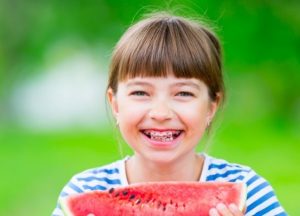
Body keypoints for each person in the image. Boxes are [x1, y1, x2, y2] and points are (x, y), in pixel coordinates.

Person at [52, 11, 287, 216]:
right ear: (115, 104)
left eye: (183, 94)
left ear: (211, 107)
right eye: (141, 93)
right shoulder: (84, 189)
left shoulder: (249, 191)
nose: (161, 113)